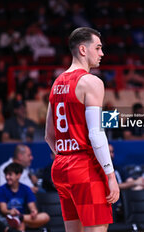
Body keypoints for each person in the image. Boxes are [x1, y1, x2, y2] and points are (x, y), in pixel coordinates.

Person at [44, 27, 119, 232]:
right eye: (98, 48)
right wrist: (111, 175)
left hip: (60, 167)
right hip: (84, 167)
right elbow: (96, 134)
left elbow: (48, 136)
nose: (102, 53)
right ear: (83, 49)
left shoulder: (56, 83)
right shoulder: (91, 82)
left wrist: (65, 156)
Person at [0, 163, 50, 231]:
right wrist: (10, 212)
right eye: (6, 174)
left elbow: (32, 206)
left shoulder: (26, 189)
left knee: (45, 216)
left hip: (24, 218)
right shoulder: (1, 189)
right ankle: (19, 219)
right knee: (20, 224)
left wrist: (33, 211)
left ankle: (19, 218)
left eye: (10, 174)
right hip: (6, 219)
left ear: (18, 175)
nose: (7, 177)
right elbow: (3, 210)